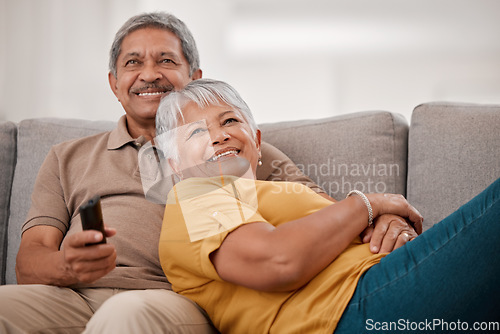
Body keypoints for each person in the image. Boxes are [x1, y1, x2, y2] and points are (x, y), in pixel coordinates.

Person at [0, 12, 418, 333]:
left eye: (166, 60)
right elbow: (29, 260)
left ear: (194, 77)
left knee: (125, 316)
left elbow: (325, 213)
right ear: (114, 82)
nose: (149, 74)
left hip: (167, 299)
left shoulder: (239, 150)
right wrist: (68, 268)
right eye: (133, 63)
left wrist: (383, 214)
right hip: (70, 294)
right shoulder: (66, 157)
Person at [157, 79, 500, 334]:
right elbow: (278, 260)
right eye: (196, 133)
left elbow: (345, 234)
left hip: (384, 283)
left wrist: (391, 224)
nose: (219, 136)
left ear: (257, 141)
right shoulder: (194, 198)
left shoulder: (280, 193)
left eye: (229, 121)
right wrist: (371, 203)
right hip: (346, 310)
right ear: (174, 164)